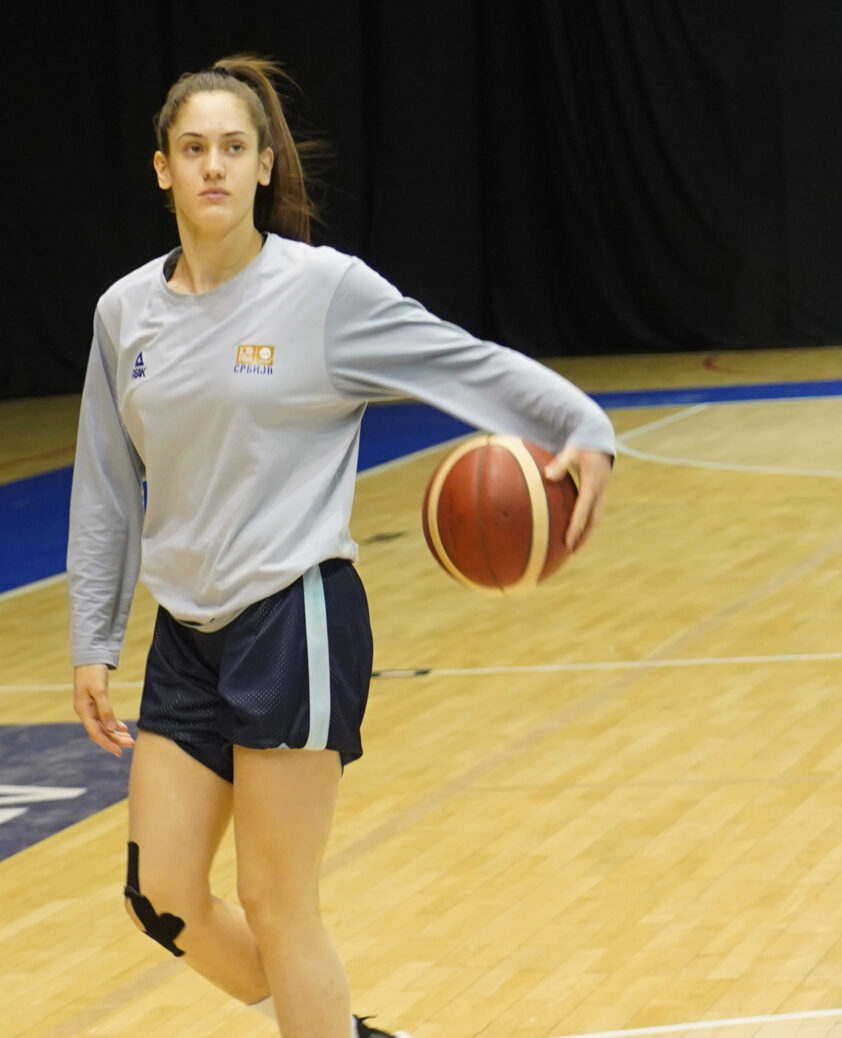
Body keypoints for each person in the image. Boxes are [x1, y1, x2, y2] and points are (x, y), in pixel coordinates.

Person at [67, 55, 614, 1038]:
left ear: (265, 164)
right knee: (163, 898)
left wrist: (580, 422)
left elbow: (464, 363)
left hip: (295, 614)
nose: (213, 168)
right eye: (192, 150)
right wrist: (92, 638)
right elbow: (107, 483)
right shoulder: (123, 315)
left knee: (279, 905)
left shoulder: (323, 293)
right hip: (186, 631)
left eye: (233, 148)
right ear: (161, 170)